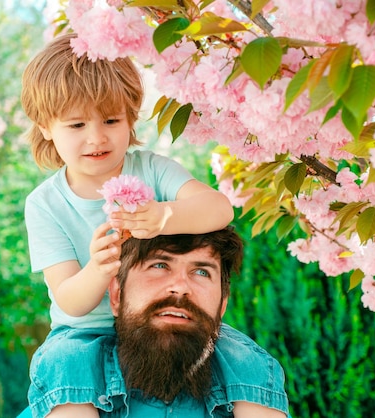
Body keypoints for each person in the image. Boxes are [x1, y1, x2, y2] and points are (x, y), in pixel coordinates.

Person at [20, 32, 249, 417]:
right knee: (64, 366)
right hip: (86, 332)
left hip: (163, 325)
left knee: (243, 358)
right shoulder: (45, 203)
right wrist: (98, 269)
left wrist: (166, 215)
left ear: (131, 117)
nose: (96, 137)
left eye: (111, 120)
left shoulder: (152, 169)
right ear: (45, 126)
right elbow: (68, 301)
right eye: (76, 125)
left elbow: (219, 208)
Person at [16, 229, 290, 417]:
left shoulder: (251, 379)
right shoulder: (67, 381)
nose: (180, 288)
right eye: (159, 265)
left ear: (223, 305)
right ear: (116, 294)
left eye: (201, 271)